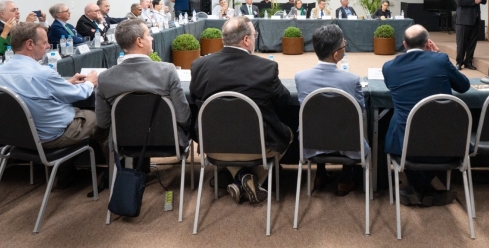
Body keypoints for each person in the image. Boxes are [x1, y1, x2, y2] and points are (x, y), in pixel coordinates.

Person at [190, 17, 297, 205]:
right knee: (287, 133)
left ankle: (237, 176)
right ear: (246, 40)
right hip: (258, 146)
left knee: (228, 134)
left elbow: (194, 99)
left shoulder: (199, 66)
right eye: (254, 35)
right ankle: (248, 177)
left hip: (214, 143)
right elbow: (285, 101)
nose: (255, 39)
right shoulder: (265, 68)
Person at [0, 23, 105, 186]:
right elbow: (79, 94)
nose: (48, 46)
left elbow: (38, 92)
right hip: (52, 137)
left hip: (19, 137)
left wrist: (67, 83)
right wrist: (90, 82)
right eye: (44, 42)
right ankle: (114, 176)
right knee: (103, 118)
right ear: (30, 44)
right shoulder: (42, 73)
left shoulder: (0, 72)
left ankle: (69, 170)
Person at [383, 24, 470, 206]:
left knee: (391, 120)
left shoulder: (389, 67)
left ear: (404, 44)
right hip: (448, 144)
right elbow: (464, 86)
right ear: (427, 43)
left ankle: (417, 187)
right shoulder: (440, 60)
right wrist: (437, 55)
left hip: (407, 146)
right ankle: (424, 188)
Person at [294, 25, 368, 196]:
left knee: (320, 120)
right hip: (348, 144)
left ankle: (320, 175)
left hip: (310, 144)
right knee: (342, 123)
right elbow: (360, 111)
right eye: (344, 45)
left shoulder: (300, 77)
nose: (345, 47)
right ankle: (344, 179)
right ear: (336, 55)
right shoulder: (352, 80)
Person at [95, 19, 192, 148]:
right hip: (168, 141)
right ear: (139, 41)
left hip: (123, 144)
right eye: (148, 35)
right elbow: (183, 118)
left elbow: (103, 123)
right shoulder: (167, 71)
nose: (151, 38)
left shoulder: (104, 78)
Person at [454, 0, 487, 70]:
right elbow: (459, 2)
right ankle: (459, 62)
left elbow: (484, 1)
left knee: (472, 43)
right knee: (461, 43)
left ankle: (468, 62)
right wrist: (474, 1)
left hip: (475, 20)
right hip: (463, 21)